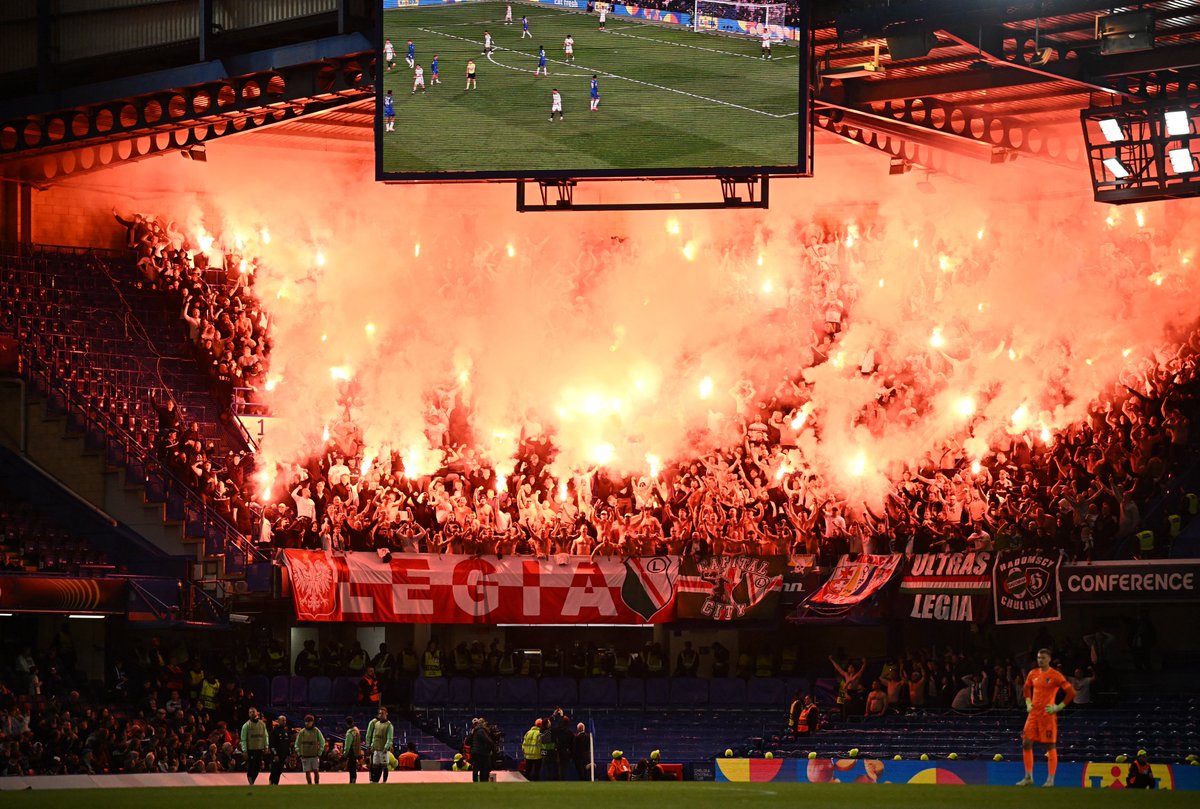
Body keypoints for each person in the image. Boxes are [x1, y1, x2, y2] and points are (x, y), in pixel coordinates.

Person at [1016, 648, 1076, 787]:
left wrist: (1058, 707)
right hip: (1033, 714)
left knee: (1050, 746)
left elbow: (1071, 692)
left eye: (1043, 658)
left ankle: (1050, 780)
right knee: (1026, 743)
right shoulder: (1033, 673)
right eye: (1038, 658)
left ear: (1049, 659)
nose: (1040, 660)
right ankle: (1028, 777)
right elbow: (1026, 688)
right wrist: (1028, 702)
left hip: (1047, 716)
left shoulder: (1056, 675)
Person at [240, 706, 269, 784]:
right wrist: (245, 750)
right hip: (251, 749)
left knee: (258, 766)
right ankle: (250, 779)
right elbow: (243, 739)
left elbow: (265, 736)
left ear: (257, 713)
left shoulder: (262, 724)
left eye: (253, 712)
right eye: (250, 712)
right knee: (252, 765)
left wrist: (266, 746)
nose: (251, 713)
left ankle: (252, 780)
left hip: (259, 749)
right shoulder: (246, 725)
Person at [295, 714, 326, 784]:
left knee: (316, 771)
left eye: (309, 721)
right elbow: (297, 744)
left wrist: (320, 752)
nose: (307, 723)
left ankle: (316, 785)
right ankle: (309, 786)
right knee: (307, 772)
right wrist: (299, 753)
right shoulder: (302, 732)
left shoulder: (316, 731)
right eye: (306, 721)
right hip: (305, 756)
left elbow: (322, 741)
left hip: (314, 755)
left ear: (312, 722)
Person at [366, 706, 394, 783]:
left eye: (383, 713)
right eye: (380, 713)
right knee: (375, 765)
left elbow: (390, 738)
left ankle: (384, 781)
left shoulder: (389, 725)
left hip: (383, 749)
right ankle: (374, 780)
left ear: (386, 714)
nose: (381, 715)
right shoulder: (376, 723)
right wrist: (371, 746)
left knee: (384, 766)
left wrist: (386, 747)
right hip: (376, 749)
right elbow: (374, 736)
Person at [469, 717, 495, 782]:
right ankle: (483, 781)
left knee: (476, 768)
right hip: (481, 752)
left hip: (475, 752)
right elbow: (487, 740)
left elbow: (467, 742)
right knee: (483, 768)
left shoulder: (473, 731)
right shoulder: (481, 730)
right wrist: (492, 745)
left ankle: (476, 782)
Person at [268, 714, 291, 785]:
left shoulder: (286, 732)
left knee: (279, 771)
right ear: (278, 721)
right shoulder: (274, 731)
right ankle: (271, 782)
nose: (284, 722)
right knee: (274, 770)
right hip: (276, 755)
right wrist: (275, 754)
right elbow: (271, 745)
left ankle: (276, 784)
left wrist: (288, 755)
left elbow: (288, 745)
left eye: (285, 720)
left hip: (283, 756)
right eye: (282, 720)